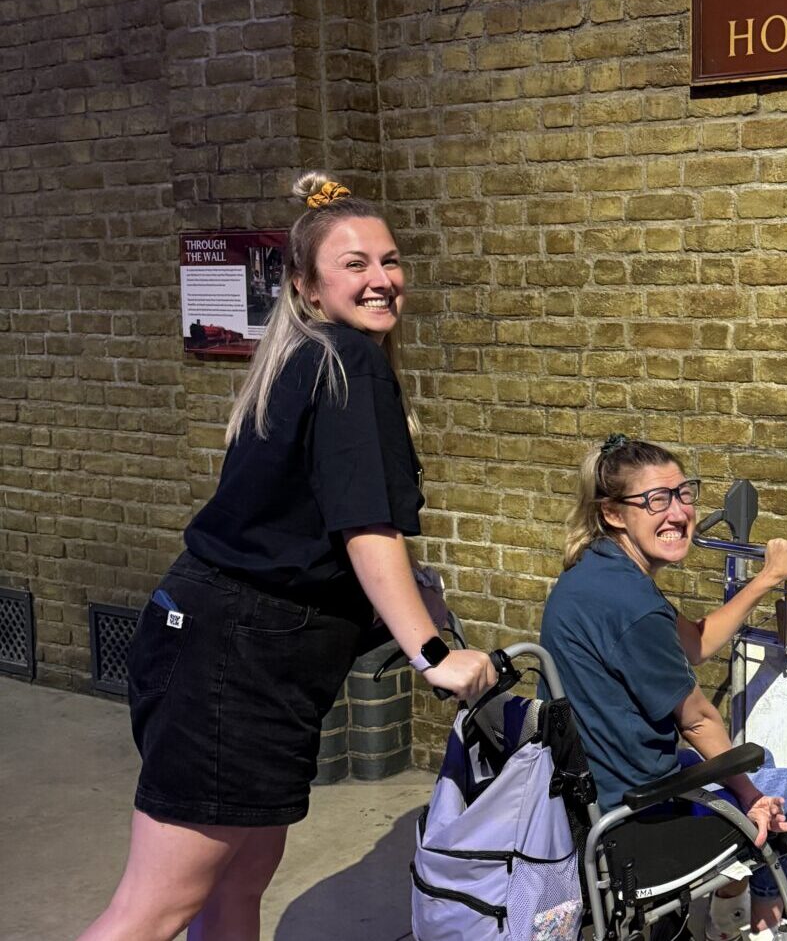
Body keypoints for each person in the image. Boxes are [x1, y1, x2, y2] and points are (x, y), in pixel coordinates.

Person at [80, 173, 497, 941]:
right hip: (230, 660)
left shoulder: (311, 358)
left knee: (237, 884)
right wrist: (433, 653)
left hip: (240, 650)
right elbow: (365, 528)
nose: (381, 279)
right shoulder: (348, 361)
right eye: (354, 264)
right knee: (154, 907)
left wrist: (412, 597)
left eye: (390, 260)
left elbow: (307, 527)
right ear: (306, 286)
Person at [541, 435, 787, 941]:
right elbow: (699, 720)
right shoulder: (632, 606)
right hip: (634, 820)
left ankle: (727, 918)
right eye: (655, 500)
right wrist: (751, 797)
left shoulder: (597, 571)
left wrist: (767, 577)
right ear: (614, 513)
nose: (679, 512)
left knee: (761, 762)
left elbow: (697, 644)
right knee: (782, 787)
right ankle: (771, 928)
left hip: (596, 792)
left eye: (684, 494)